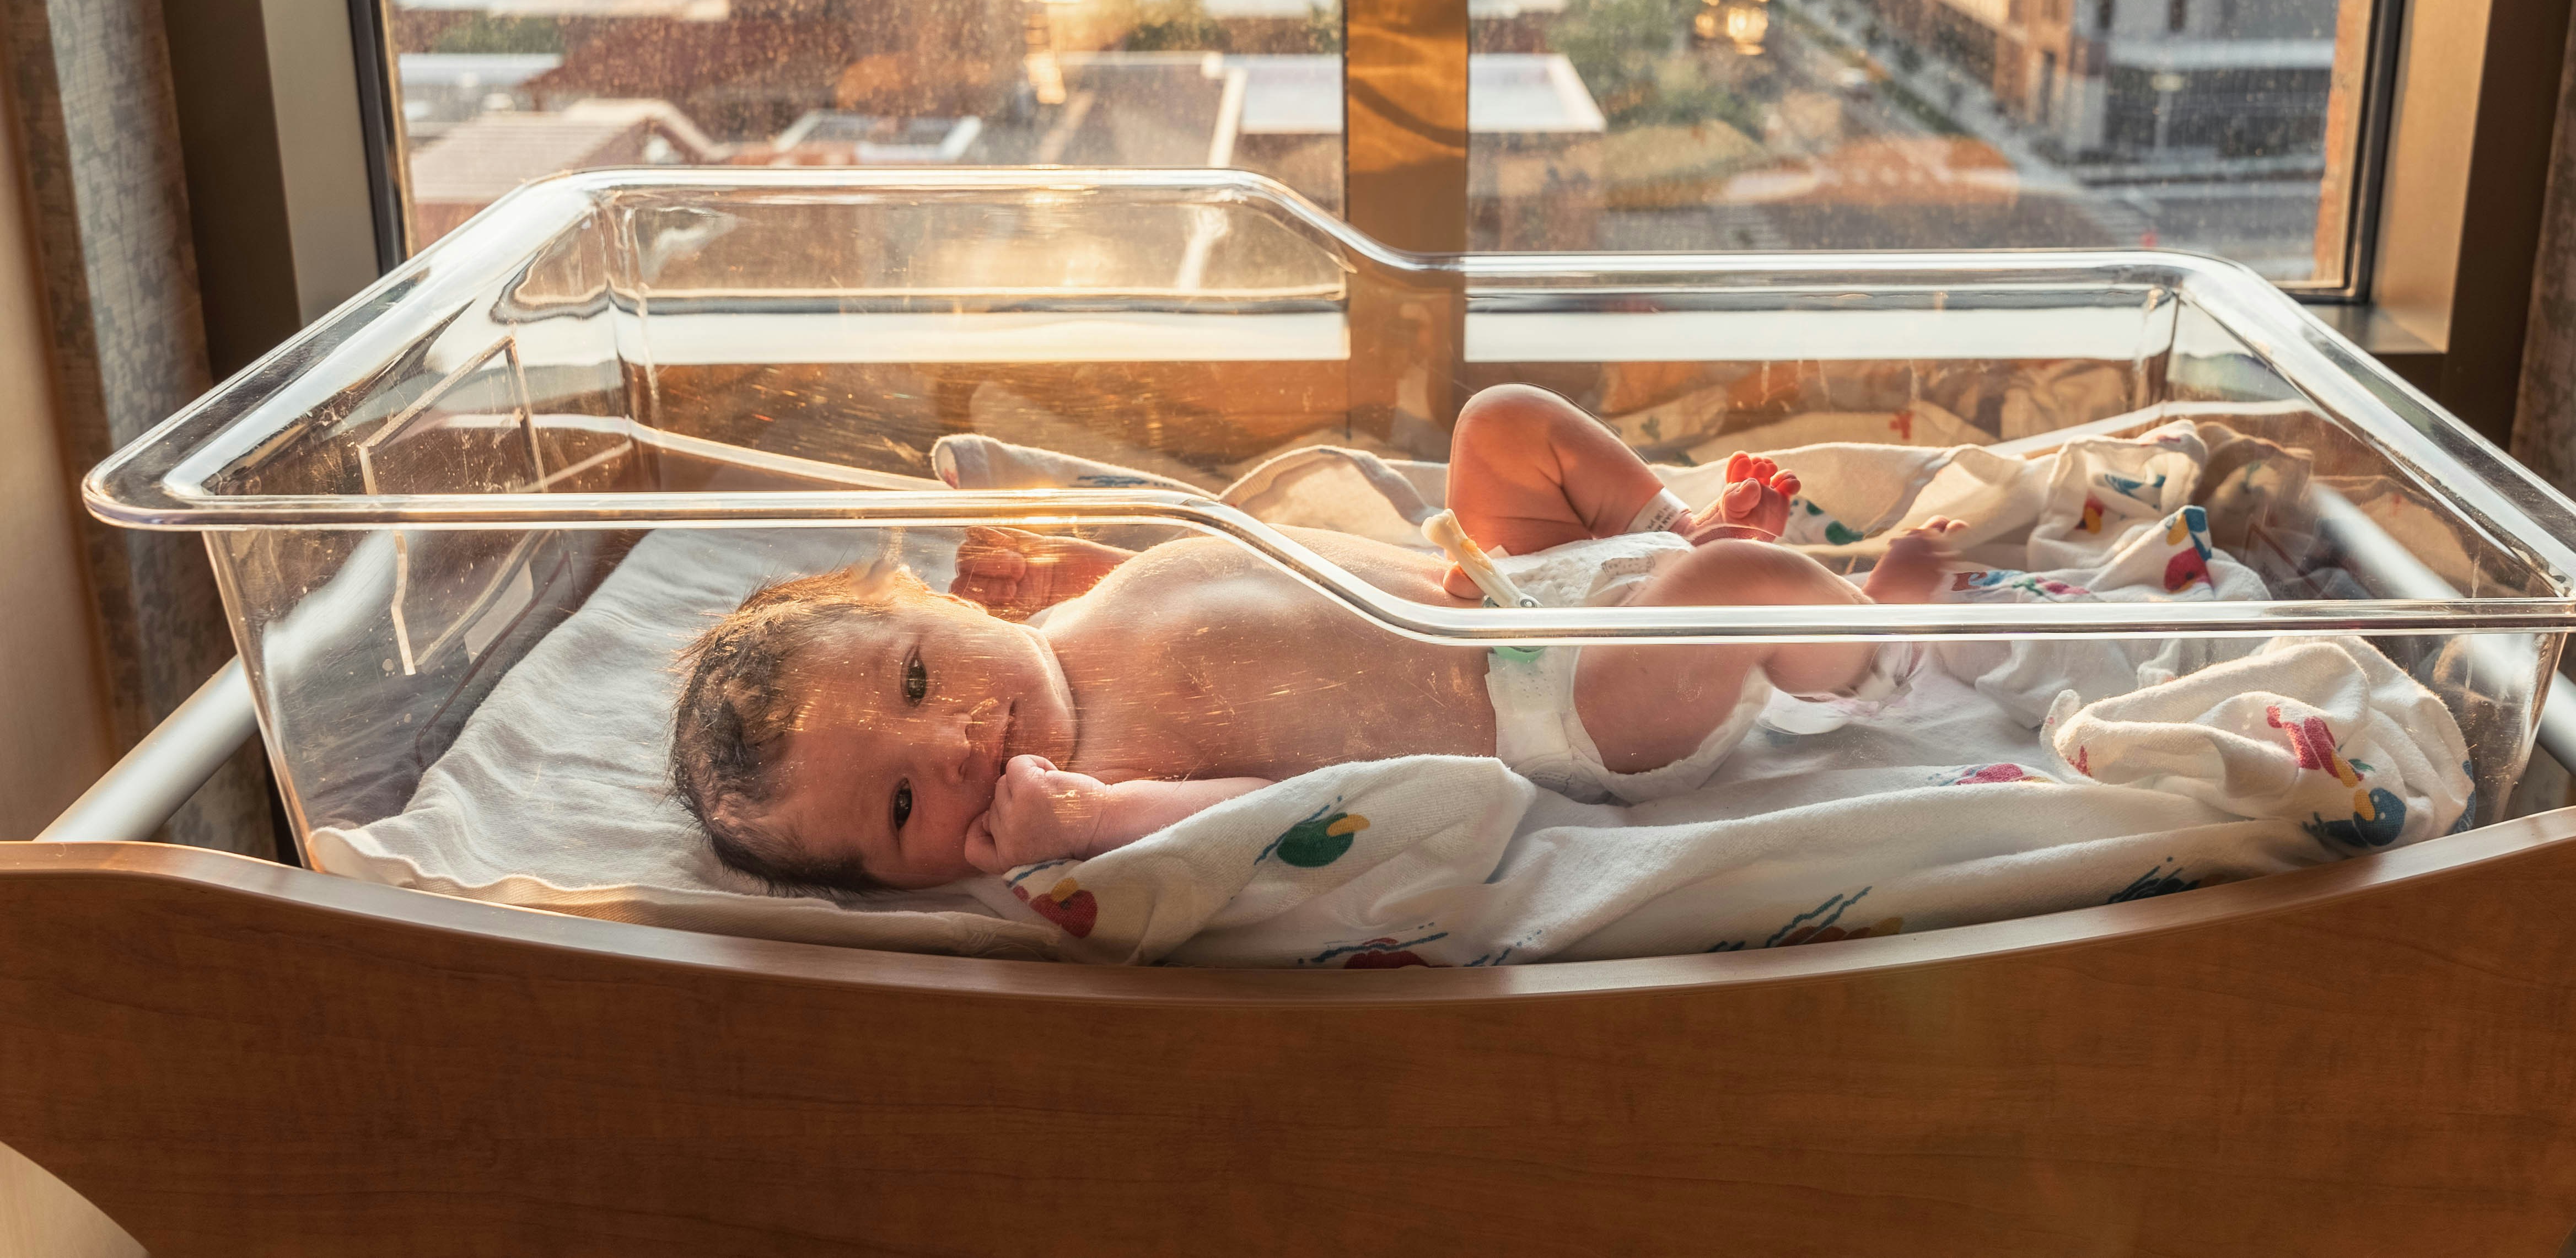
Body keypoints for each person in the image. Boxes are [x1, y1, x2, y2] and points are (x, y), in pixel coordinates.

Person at [669, 384, 1958, 891]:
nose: (956, 741)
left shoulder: (1061, 624)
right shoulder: (1088, 787)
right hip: (1557, 704)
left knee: (1502, 426)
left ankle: (1670, 528)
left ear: (943, 608)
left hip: (1514, 581)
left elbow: (1207, 586)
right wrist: (1091, 823)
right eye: (903, 803)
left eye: (914, 677)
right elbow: (1271, 812)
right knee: (1738, 588)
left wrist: (1081, 564)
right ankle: (1869, 648)